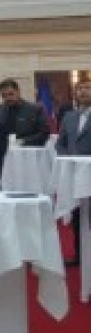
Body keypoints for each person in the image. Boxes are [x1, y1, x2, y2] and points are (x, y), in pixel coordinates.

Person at [56, 77, 91, 267]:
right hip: (73, 173)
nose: (83, 92)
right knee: (77, 216)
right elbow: (60, 143)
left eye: (88, 88)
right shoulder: (69, 116)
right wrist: (66, 158)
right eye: (80, 88)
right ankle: (79, 256)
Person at [0, 79, 51, 147]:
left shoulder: (35, 110)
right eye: (3, 96)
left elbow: (44, 134)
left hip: (28, 149)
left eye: (11, 94)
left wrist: (22, 141)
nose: (8, 98)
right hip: (1, 150)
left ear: (18, 92)